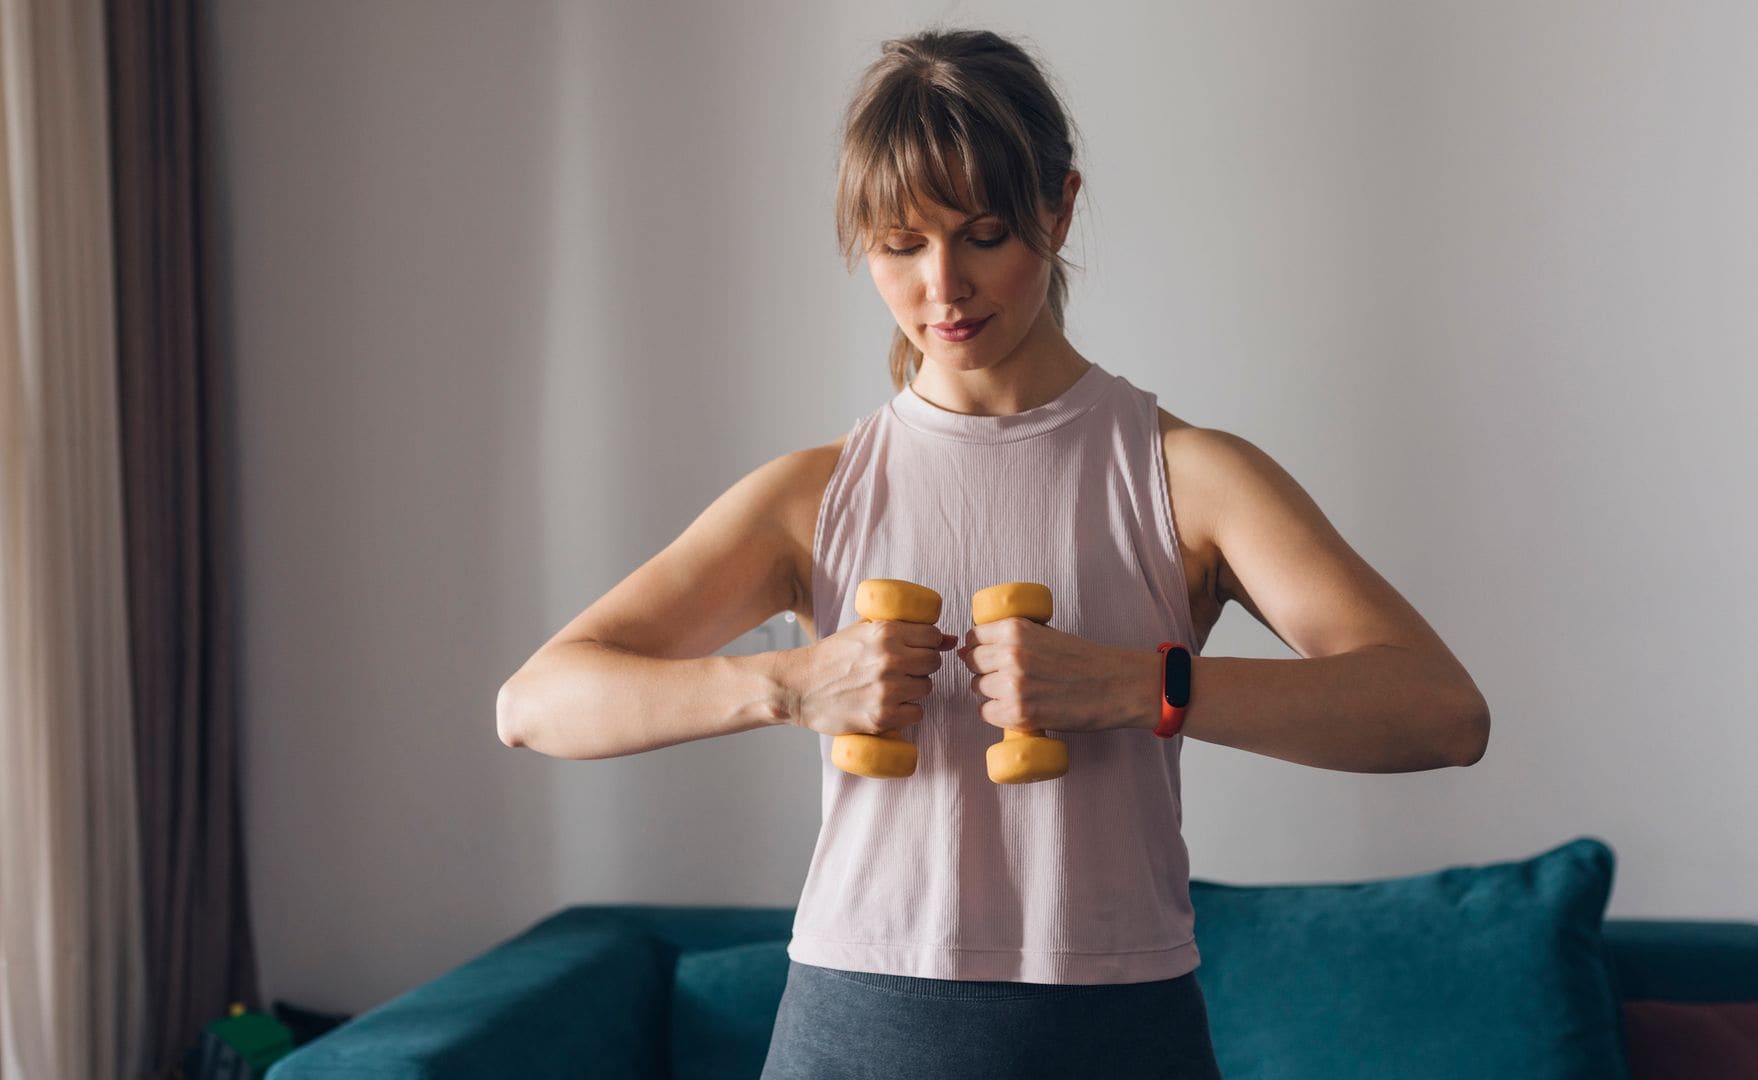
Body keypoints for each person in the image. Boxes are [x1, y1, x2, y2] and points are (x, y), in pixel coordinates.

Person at [496, 26, 1491, 1080]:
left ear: (1058, 211)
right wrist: (789, 685)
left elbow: (1441, 711)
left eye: (982, 234)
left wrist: (1143, 685)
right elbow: (535, 704)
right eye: (899, 244)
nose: (944, 288)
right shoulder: (812, 496)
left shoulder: (1188, 476)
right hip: (860, 1024)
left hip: (1118, 1024)